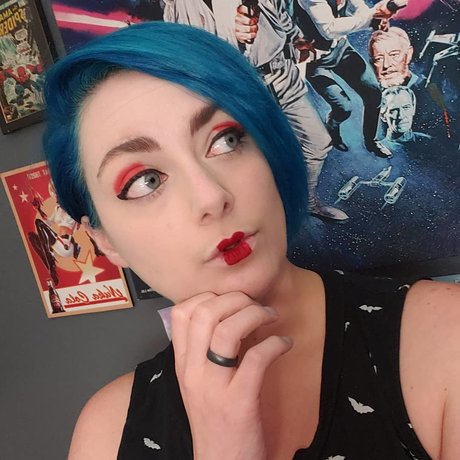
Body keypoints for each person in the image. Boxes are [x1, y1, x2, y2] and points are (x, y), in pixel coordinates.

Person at [42, 22, 460, 459]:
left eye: (225, 140)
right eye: (145, 180)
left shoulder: (445, 339)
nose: (211, 196)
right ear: (106, 241)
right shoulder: (106, 433)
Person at [164, 0, 347, 222]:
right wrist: (233, 38)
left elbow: (280, 17)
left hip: (282, 76)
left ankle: (306, 202)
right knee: (248, 158)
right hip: (241, 89)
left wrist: (296, 39)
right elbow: (188, 52)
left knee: (318, 141)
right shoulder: (180, 7)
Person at [294, 0, 398, 158]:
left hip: (341, 49)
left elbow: (359, 8)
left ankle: (371, 142)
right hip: (314, 61)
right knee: (343, 108)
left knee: (374, 93)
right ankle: (332, 126)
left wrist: (375, 19)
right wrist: (371, 17)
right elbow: (329, 29)